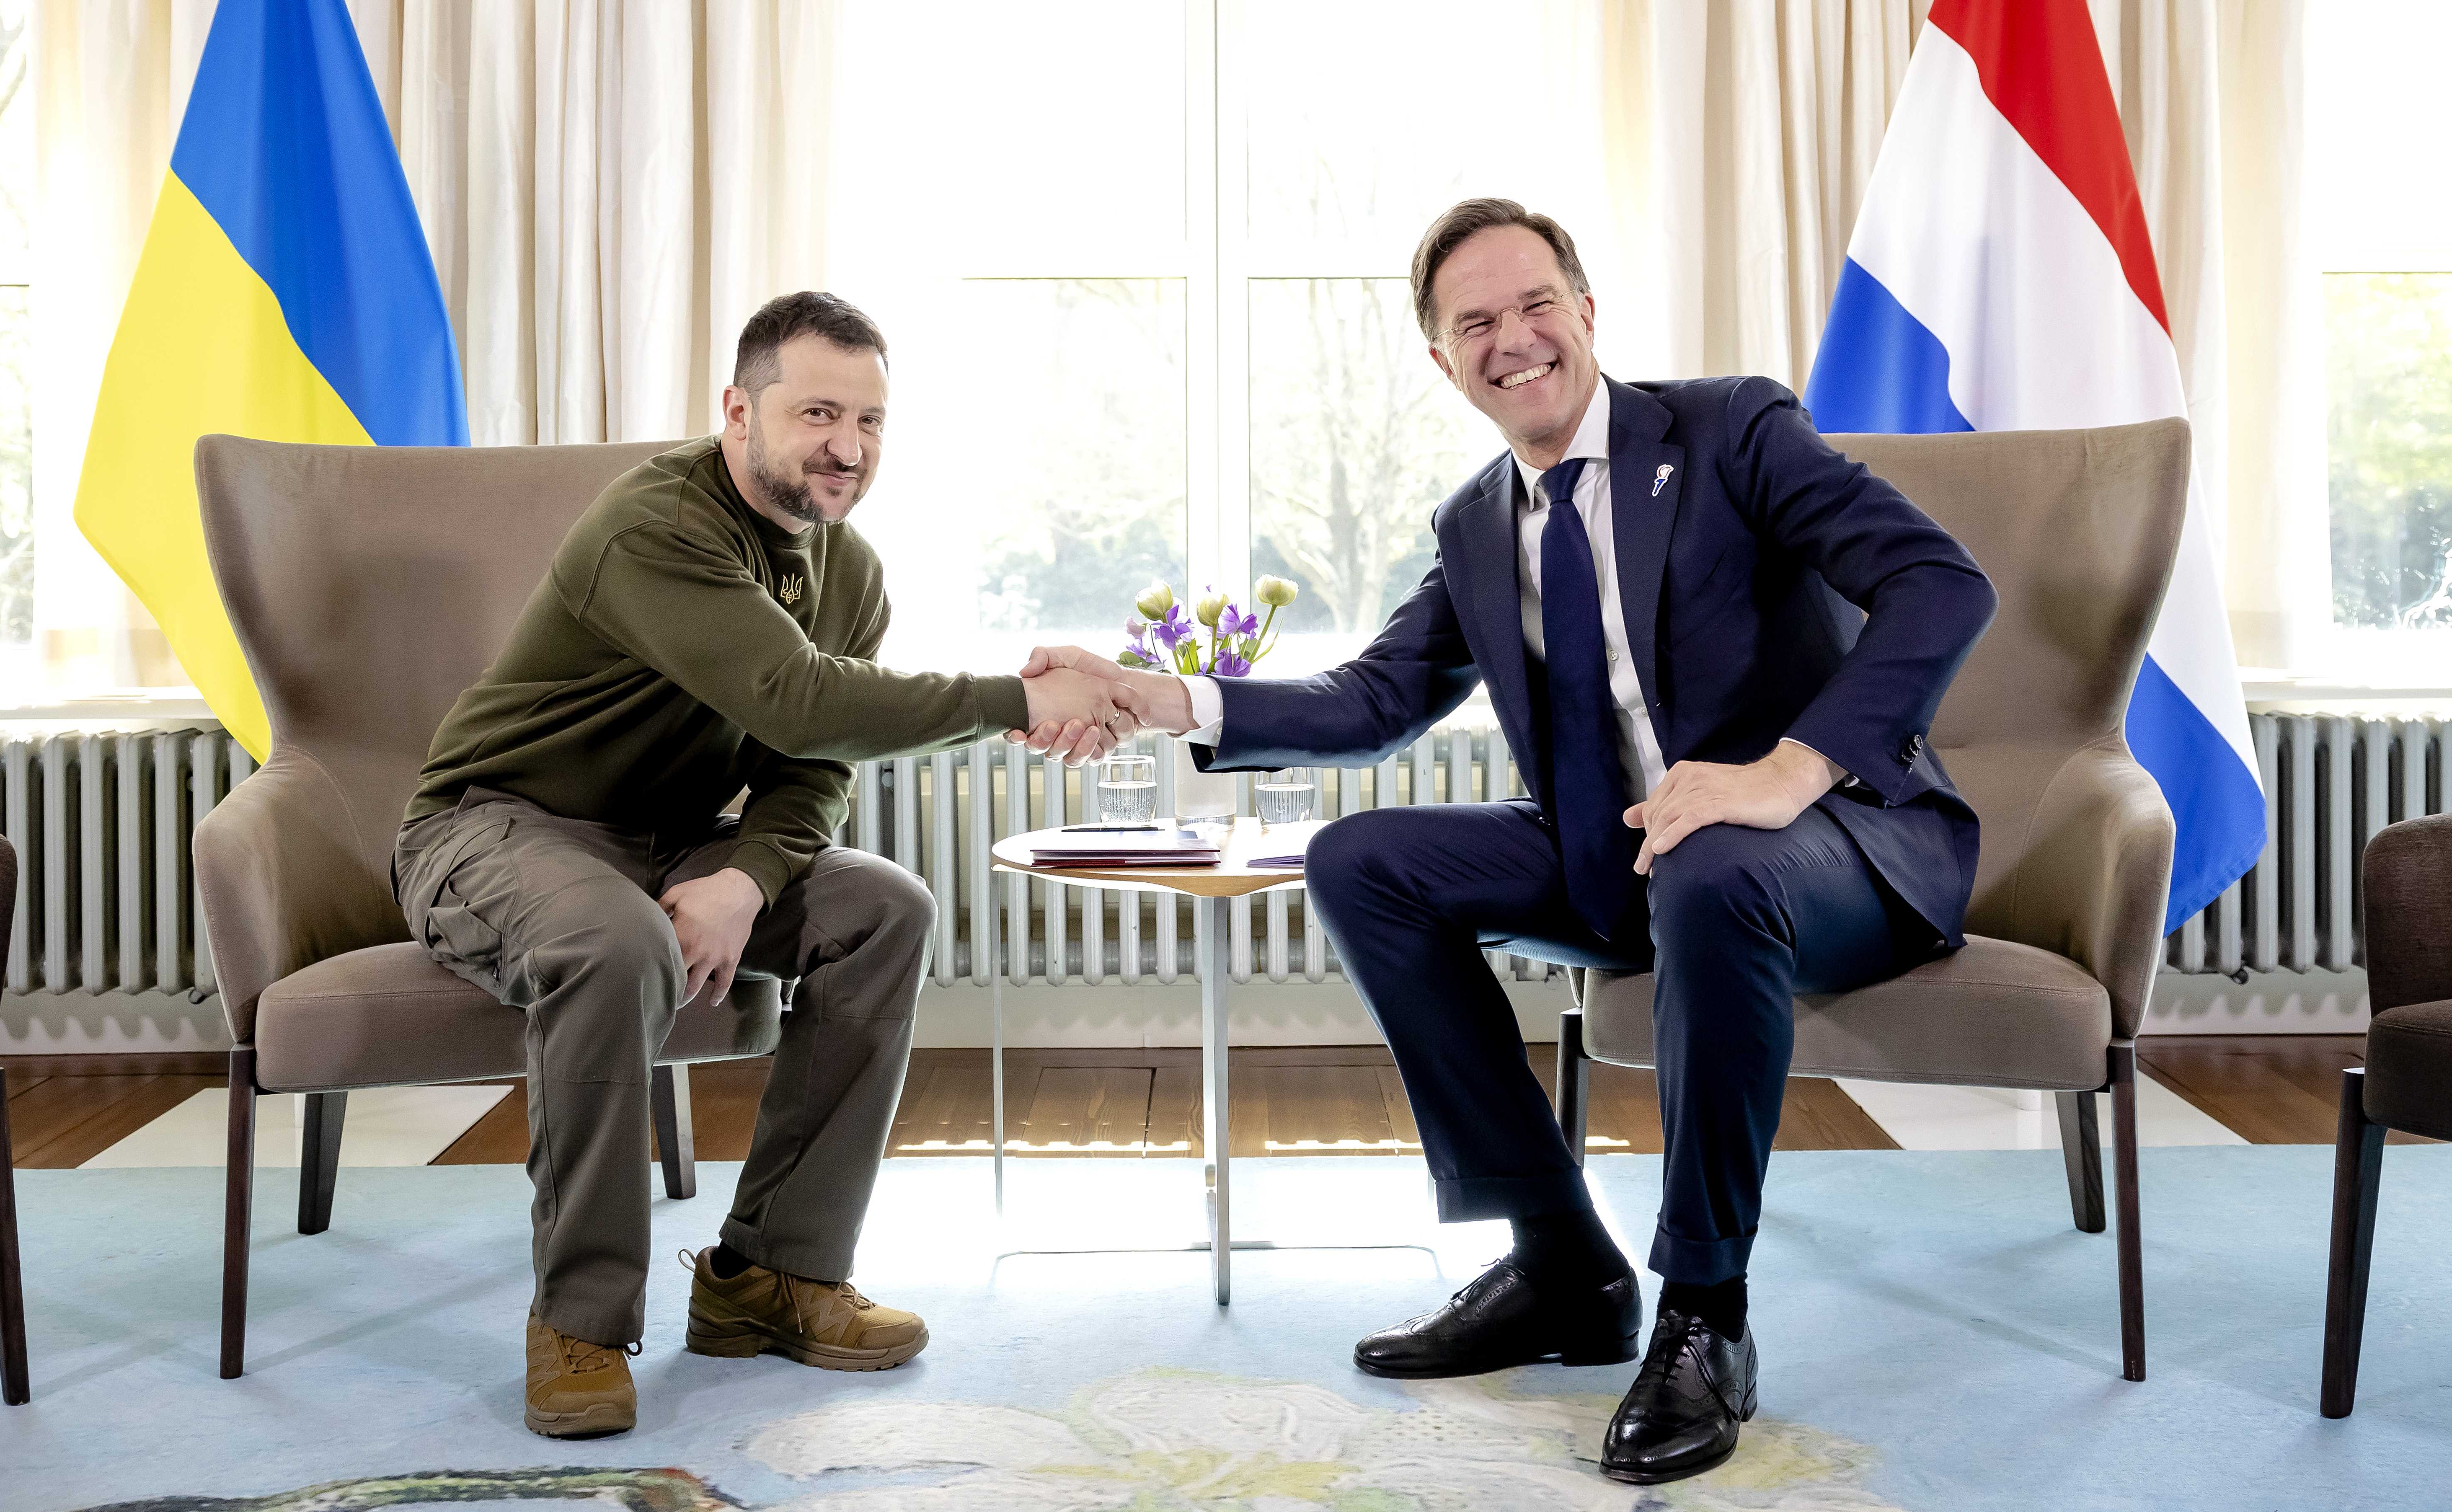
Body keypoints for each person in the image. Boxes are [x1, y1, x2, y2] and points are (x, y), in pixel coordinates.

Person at [1026, 199, 1996, 1486]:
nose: (1513, 338)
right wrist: (1161, 698)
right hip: (1635, 858)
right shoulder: (1478, 524)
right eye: (1473, 322)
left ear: (1587, 314)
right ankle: (1561, 1264)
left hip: (1835, 851)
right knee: (1361, 861)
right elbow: (1369, 702)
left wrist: (1784, 772)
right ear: (1443, 362)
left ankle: (1706, 1311)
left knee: (1714, 857)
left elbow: (1942, 584)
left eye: (1536, 304)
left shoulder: (1729, 431)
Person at [396, 291, 1142, 1438]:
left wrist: (746, 877)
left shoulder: (852, 575)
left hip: (674, 841)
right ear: (739, 411)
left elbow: (811, 762)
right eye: (820, 414)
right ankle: (581, 1324)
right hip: (500, 829)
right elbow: (794, 696)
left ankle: (772, 1276)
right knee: (611, 937)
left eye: (874, 422)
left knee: (882, 909)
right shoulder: (656, 525)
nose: (850, 448)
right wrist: (1020, 699)